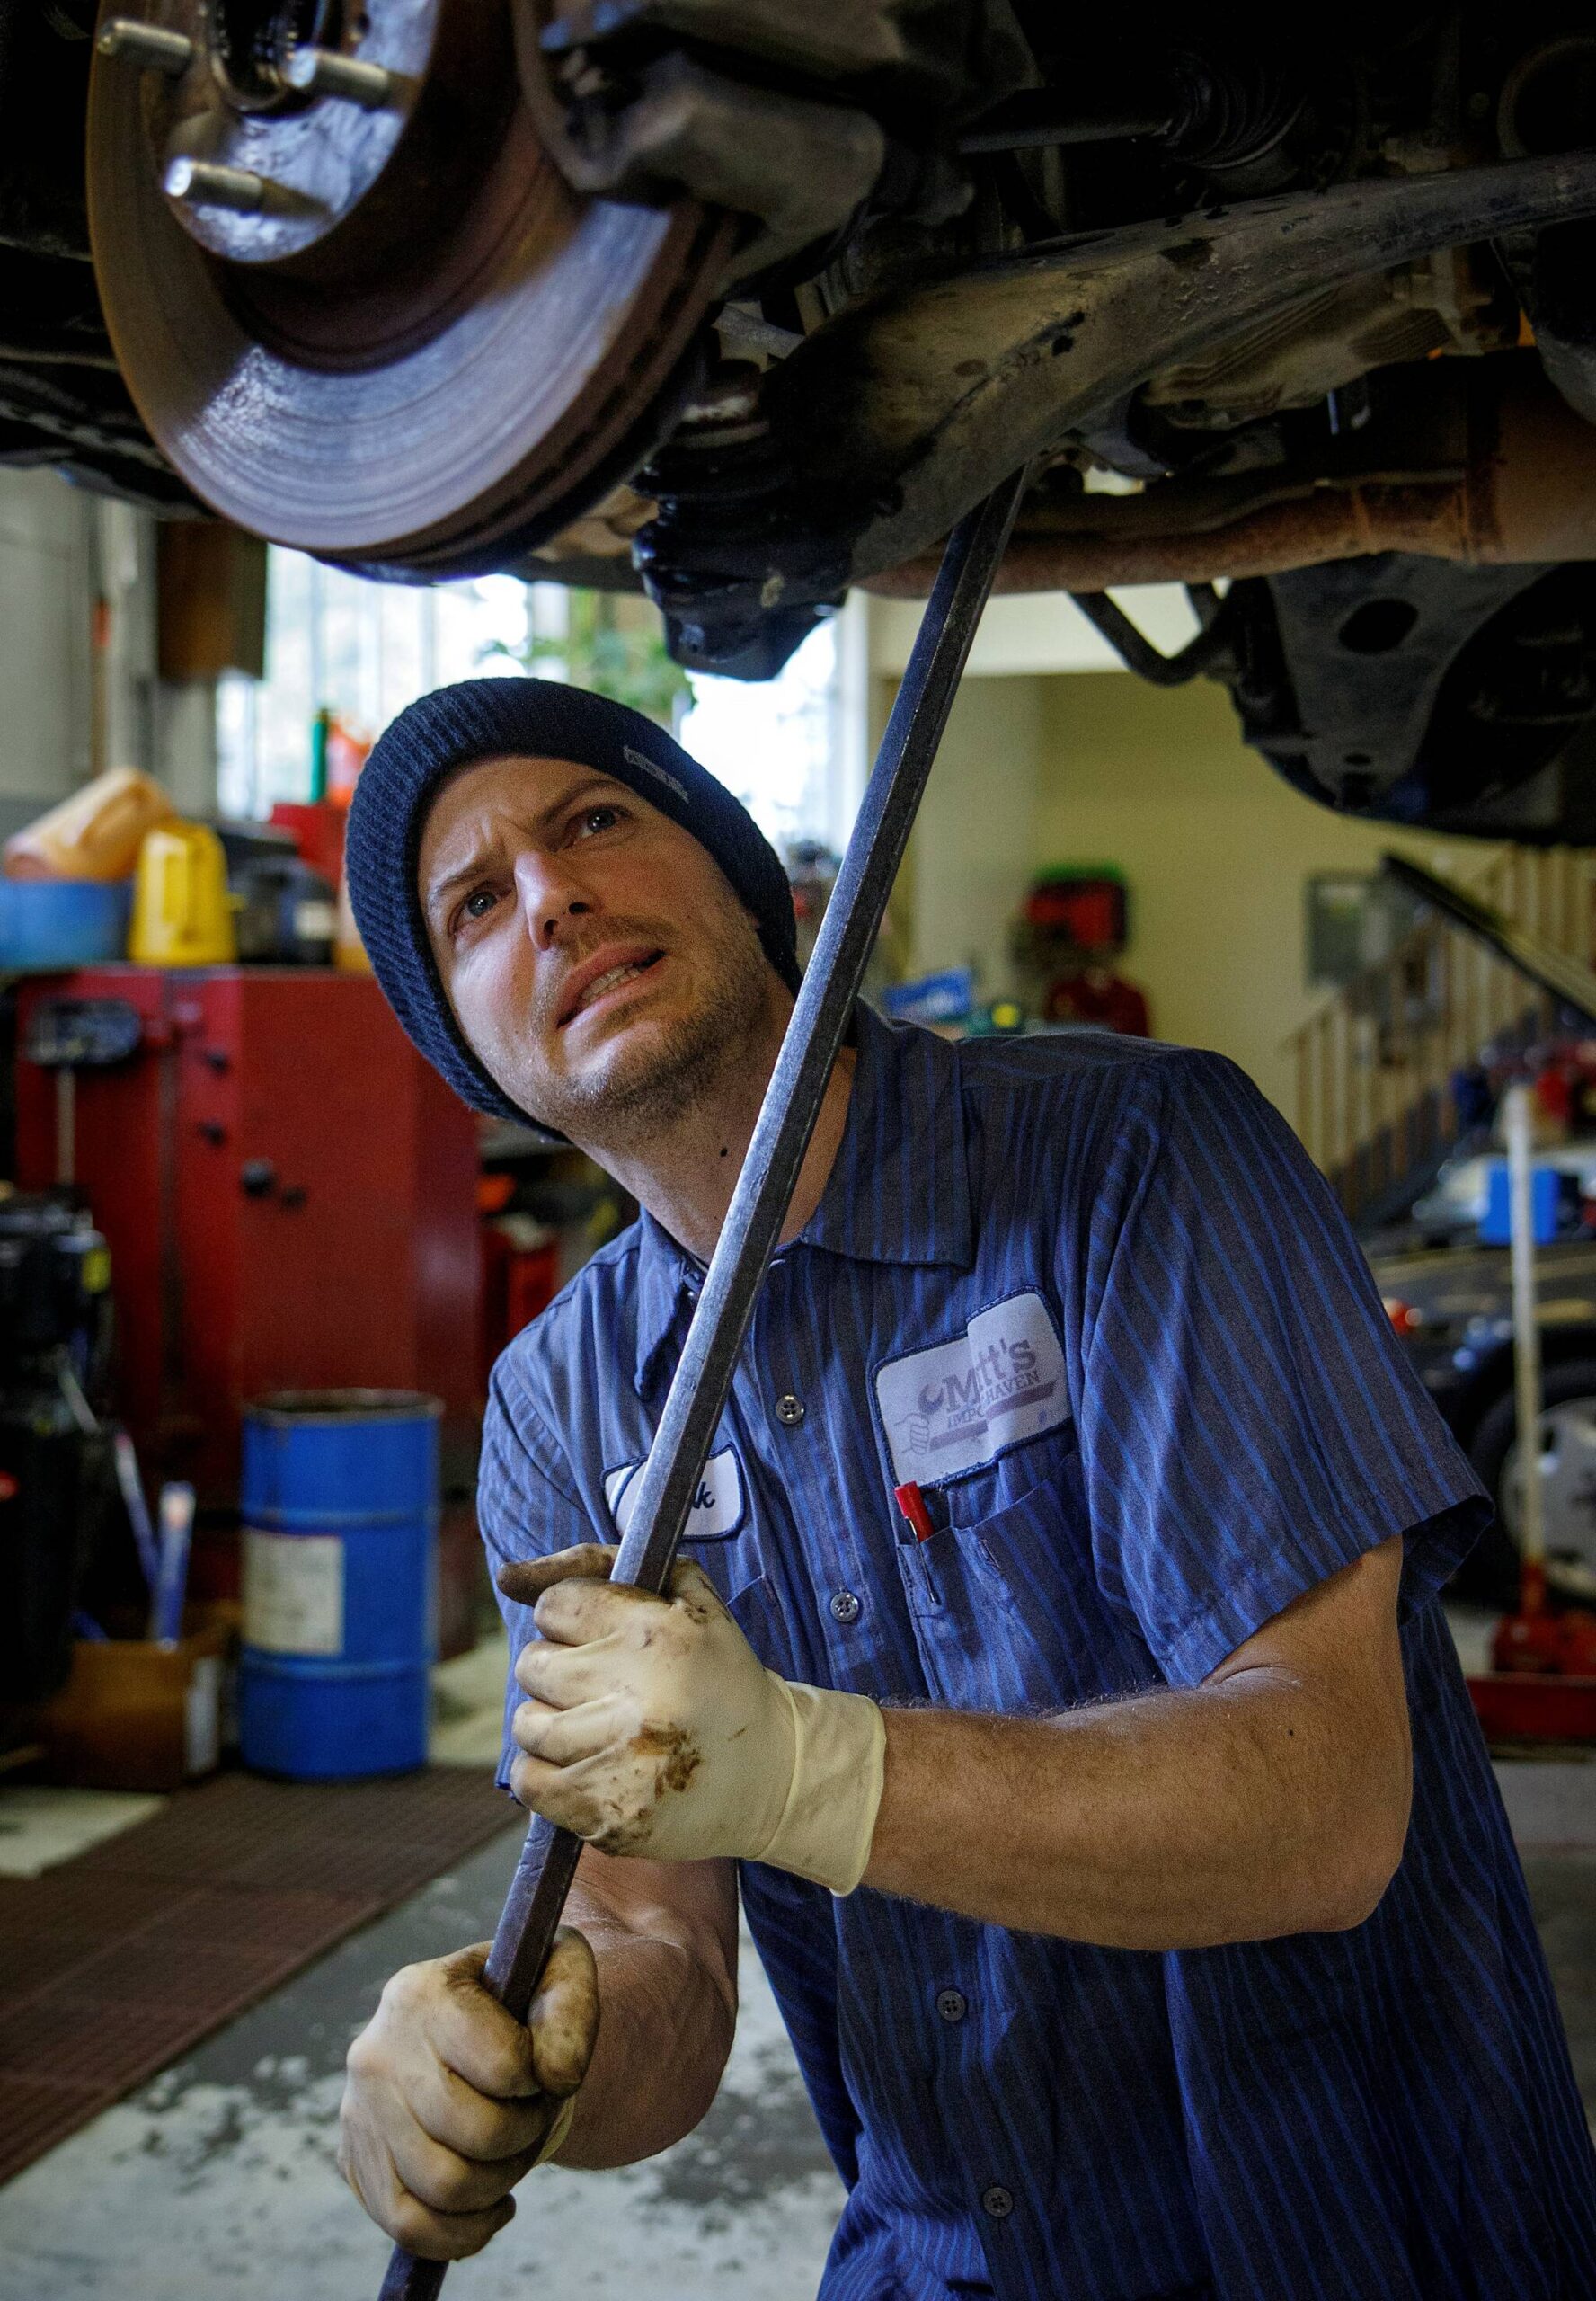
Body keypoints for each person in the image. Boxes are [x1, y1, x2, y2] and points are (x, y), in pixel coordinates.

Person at [338, 678, 1596, 2300]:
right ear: (472, 1047)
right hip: (945, 2261)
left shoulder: (1137, 1157)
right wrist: (517, 2072)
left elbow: (1329, 1805)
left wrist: (809, 1770)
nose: (555, 900)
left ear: (746, 884)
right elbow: (667, 1958)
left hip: (1363, 2235)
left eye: (595, 823)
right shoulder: (558, 1404)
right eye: (475, 905)